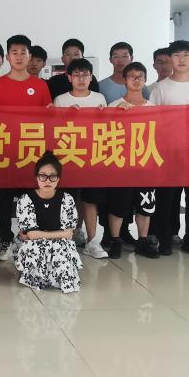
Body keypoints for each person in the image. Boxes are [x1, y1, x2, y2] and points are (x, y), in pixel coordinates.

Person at [0, 34, 52, 261]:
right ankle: (4, 240)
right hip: (5, 153)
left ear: (30, 56)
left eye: (24, 52)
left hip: (32, 153)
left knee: (30, 201)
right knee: (4, 201)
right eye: (15, 52)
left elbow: (50, 119)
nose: (19, 56)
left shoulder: (40, 86)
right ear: (7, 57)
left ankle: (27, 239)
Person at [150, 40, 189, 256]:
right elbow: (152, 120)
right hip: (169, 151)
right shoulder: (160, 87)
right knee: (167, 197)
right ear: (170, 59)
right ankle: (165, 239)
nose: (182, 59)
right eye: (177, 55)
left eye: (186, 55)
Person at [53, 58, 107, 255]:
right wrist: (67, 115)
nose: (81, 79)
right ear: (69, 78)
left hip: (92, 156)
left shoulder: (99, 98)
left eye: (85, 75)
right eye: (76, 75)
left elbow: (106, 127)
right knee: (68, 199)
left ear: (91, 77)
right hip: (68, 156)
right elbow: (53, 129)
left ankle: (92, 241)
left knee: (90, 199)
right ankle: (68, 236)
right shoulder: (61, 100)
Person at [109, 62, 160, 258]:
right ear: (125, 80)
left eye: (140, 76)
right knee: (118, 205)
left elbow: (161, 134)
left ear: (145, 79)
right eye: (132, 76)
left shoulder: (153, 108)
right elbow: (104, 134)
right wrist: (115, 114)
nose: (136, 80)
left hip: (146, 163)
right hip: (121, 164)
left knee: (146, 204)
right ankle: (115, 241)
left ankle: (143, 241)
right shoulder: (114, 105)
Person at [14, 151, 81, 294]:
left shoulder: (67, 199)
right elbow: (31, 236)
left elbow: (69, 234)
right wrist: (60, 234)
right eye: (43, 176)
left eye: (52, 176)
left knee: (61, 249)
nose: (47, 181)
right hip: (34, 244)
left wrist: (40, 234)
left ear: (58, 178)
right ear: (37, 177)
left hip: (59, 244)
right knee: (36, 248)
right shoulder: (26, 199)